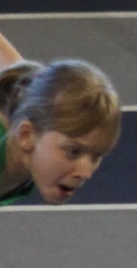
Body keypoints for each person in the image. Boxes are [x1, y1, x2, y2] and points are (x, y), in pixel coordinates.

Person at [2, 47, 122, 207]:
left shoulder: (25, 89)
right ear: (27, 135)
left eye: (96, 156)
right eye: (73, 152)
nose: (85, 173)